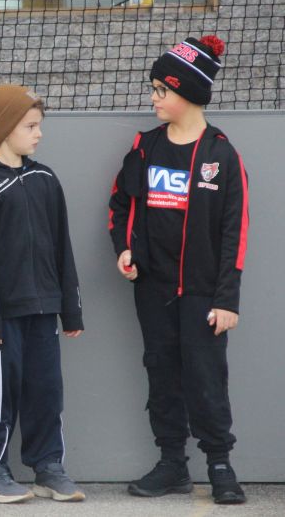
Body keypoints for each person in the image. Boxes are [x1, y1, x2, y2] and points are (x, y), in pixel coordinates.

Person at [108, 35, 248, 505]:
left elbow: (235, 234)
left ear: (186, 92)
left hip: (204, 295)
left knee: (206, 378)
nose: (153, 98)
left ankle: (220, 465)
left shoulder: (221, 155)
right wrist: (125, 249)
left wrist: (227, 300)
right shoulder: (145, 147)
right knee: (162, 374)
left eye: (160, 90)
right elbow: (121, 204)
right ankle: (172, 464)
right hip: (153, 291)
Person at [0, 85, 85, 504]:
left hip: (44, 310)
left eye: (38, 126)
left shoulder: (45, 179)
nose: (38, 134)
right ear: (4, 128)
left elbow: (61, 246)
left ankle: (48, 467)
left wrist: (70, 310)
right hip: (2, 316)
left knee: (46, 391)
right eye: (30, 126)